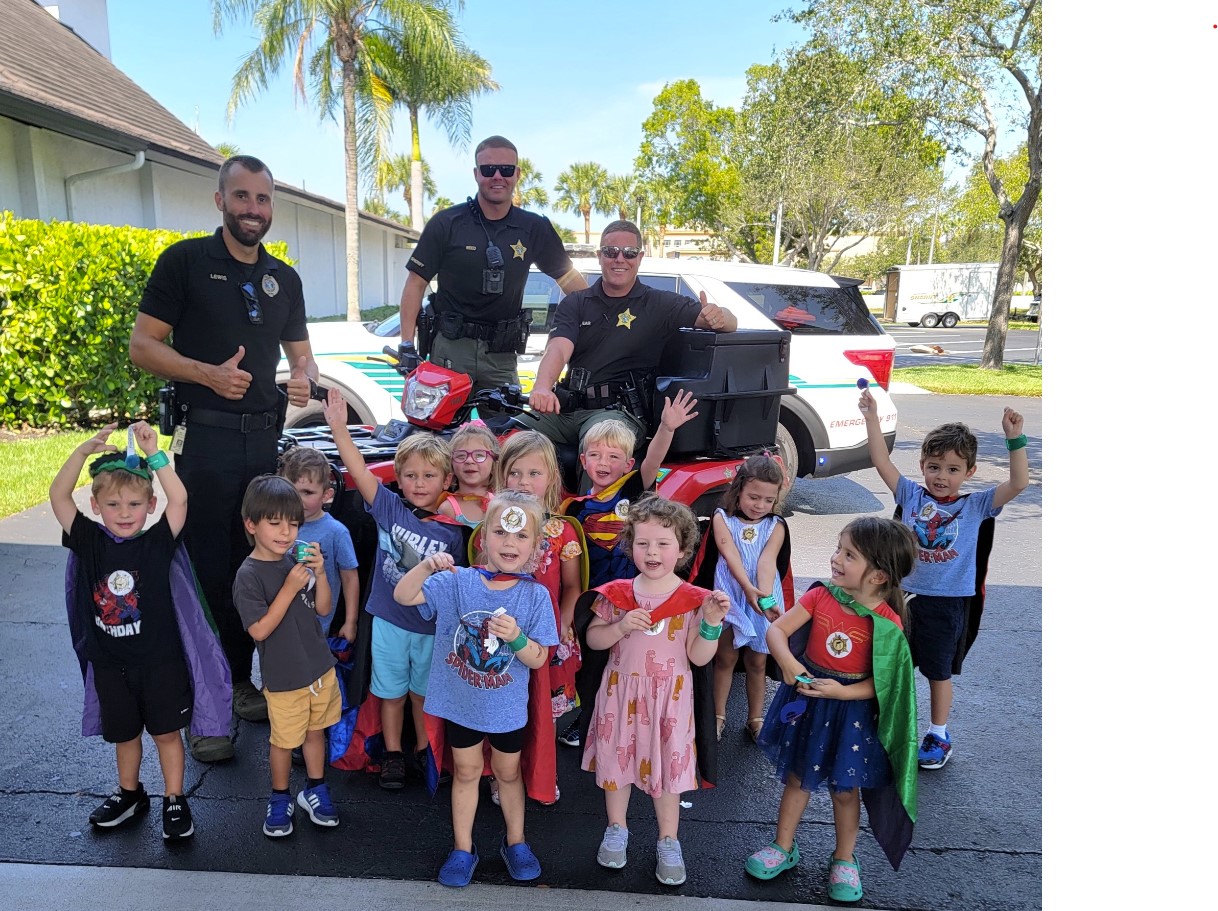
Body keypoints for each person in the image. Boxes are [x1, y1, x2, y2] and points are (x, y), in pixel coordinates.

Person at [129, 154, 320, 763]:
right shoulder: (184, 262)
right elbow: (142, 346)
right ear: (220, 201)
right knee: (207, 569)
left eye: (262, 200)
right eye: (241, 198)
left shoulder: (283, 279)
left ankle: (240, 683)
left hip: (265, 445)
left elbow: (303, 357)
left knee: (259, 566)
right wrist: (206, 375)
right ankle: (205, 706)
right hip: (205, 442)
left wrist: (303, 379)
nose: (252, 210)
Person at [51, 421, 229, 841]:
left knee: (167, 733)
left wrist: (155, 455)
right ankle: (130, 794)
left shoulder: (157, 541)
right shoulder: (89, 540)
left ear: (150, 505)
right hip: (111, 664)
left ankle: (174, 798)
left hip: (160, 662)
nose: (125, 513)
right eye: (113, 504)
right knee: (125, 735)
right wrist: (80, 453)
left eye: (134, 503)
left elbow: (180, 498)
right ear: (96, 506)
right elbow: (59, 496)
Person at [745, 517, 920, 903]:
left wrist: (844, 694)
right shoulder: (821, 595)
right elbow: (777, 631)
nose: (836, 559)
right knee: (796, 779)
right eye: (839, 549)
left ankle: (844, 858)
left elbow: (888, 683)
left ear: (877, 576)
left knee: (846, 790)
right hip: (808, 703)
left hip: (852, 714)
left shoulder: (888, 625)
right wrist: (789, 666)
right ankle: (782, 847)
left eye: (849, 554)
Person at [393, 491, 558, 888]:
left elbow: (538, 659)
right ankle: (463, 847)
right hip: (461, 704)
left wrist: (517, 638)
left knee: (507, 773)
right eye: (500, 532)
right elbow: (404, 595)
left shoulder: (535, 595)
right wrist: (428, 566)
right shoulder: (458, 582)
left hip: (506, 710)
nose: (509, 543)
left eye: (521, 537)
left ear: (536, 547)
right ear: (483, 538)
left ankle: (515, 841)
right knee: (466, 772)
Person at [859, 390, 1030, 770]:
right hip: (901, 598)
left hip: (947, 604)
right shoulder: (910, 495)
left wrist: (1014, 439)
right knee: (890, 665)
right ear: (922, 465)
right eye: (935, 467)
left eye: (953, 469)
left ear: (969, 472)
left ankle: (938, 733)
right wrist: (872, 417)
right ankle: (885, 725)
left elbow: (1019, 482)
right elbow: (879, 459)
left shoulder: (978, 505)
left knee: (938, 672)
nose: (942, 476)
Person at [578, 495, 730, 887]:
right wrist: (620, 627)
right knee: (617, 767)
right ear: (629, 545)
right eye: (643, 543)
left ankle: (668, 839)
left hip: (670, 702)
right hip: (620, 696)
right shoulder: (616, 595)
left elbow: (698, 657)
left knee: (667, 774)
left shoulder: (695, 601)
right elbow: (593, 641)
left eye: (663, 543)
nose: (652, 552)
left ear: (682, 549)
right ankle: (616, 829)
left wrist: (711, 624)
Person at [322, 389, 467, 789]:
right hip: (387, 621)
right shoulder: (390, 508)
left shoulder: (456, 529)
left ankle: (423, 751)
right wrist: (338, 427)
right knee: (389, 692)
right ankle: (392, 754)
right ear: (398, 479)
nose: (419, 483)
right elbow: (359, 469)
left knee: (422, 693)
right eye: (411, 475)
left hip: (430, 626)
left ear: (447, 480)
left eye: (429, 475)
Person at [556, 397, 698, 748]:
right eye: (597, 455)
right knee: (593, 662)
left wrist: (666, 427)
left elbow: (654, 459)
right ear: (584, 460)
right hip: (593, 599)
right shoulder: (573, 506)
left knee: (630, 659)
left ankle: (640, 717)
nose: (604, 462)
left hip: (630, 596)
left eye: (614, 456)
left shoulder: (632, 489)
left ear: (628, 464)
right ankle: (587, 719)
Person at [523, 219, 737, 449]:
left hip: (619, 415)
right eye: (611, 252)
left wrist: (719, 316)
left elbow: (730, 321)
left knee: (601, 447)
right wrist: (543, 387)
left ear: (640, 257)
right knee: (509, 434)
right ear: (600, 255)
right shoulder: (576, 302)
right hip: (566, 411)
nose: (620, 259)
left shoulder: (659, 303)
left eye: (629, 253)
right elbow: (558, 348)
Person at [397, 135, 588, 392]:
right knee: (438, 431)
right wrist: (406, 344)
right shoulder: (447, 223)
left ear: (517, 174)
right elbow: (416, 283)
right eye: (488, 169)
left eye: (506, 169)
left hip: (501, 355)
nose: (497, 176)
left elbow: (569, 280)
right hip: (451, 351)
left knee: (508, 431)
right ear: (476, 174)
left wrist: (594, 321)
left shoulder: (533, 228)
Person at [232, 475, 340, 838]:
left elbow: (323, 608)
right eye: (275, 523)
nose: (286, 532)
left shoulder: (296, 559)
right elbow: (259, 630)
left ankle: (315, 788)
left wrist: (320, 574)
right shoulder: (248, 576)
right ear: (251, 524)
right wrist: (290, 587)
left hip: (320, 670)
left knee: (315, 732)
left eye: (293, 523)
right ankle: (280, 797)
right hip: (283, 679)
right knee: (282, 741)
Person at [493, 432, 587, 791]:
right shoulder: (493, 527)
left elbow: (573, 586)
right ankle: (501, 776)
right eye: (515, 473)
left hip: (544, 638)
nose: (523, 482)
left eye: (534, 473)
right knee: (503, 707)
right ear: (502, 476)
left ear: (551, 478)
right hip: (501, 636)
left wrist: (564, 622)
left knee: (541, 713)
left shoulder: (562, 531)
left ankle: (540, 774)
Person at [705, 454, 790, 744]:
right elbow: (730, 556)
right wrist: (748, 589)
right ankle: (717, 715)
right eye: (754, 497)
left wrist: (764, 600)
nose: (760, 506)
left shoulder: (776, 525)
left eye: (768, 500)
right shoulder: (722, 518)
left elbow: (767, 562)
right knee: (725, 657)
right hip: (730, 595)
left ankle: (755, 718)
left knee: (757, 662)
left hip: (762, 600)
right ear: (738, 488)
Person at [278, 446, 359, 644]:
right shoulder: (274, 524)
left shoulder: (336, 532)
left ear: (326, 495)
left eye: (308, 492)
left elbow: (350, 579)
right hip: (276, 620)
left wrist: (351, 622)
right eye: (292, 491)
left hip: (314, 627)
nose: (298, 500)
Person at [437, 421, 500, 527]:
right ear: (451, 464)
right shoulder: (448, 509)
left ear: (494, 464)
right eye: (461, 456)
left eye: (479, 455)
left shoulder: (500, 504)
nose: (469, 460)